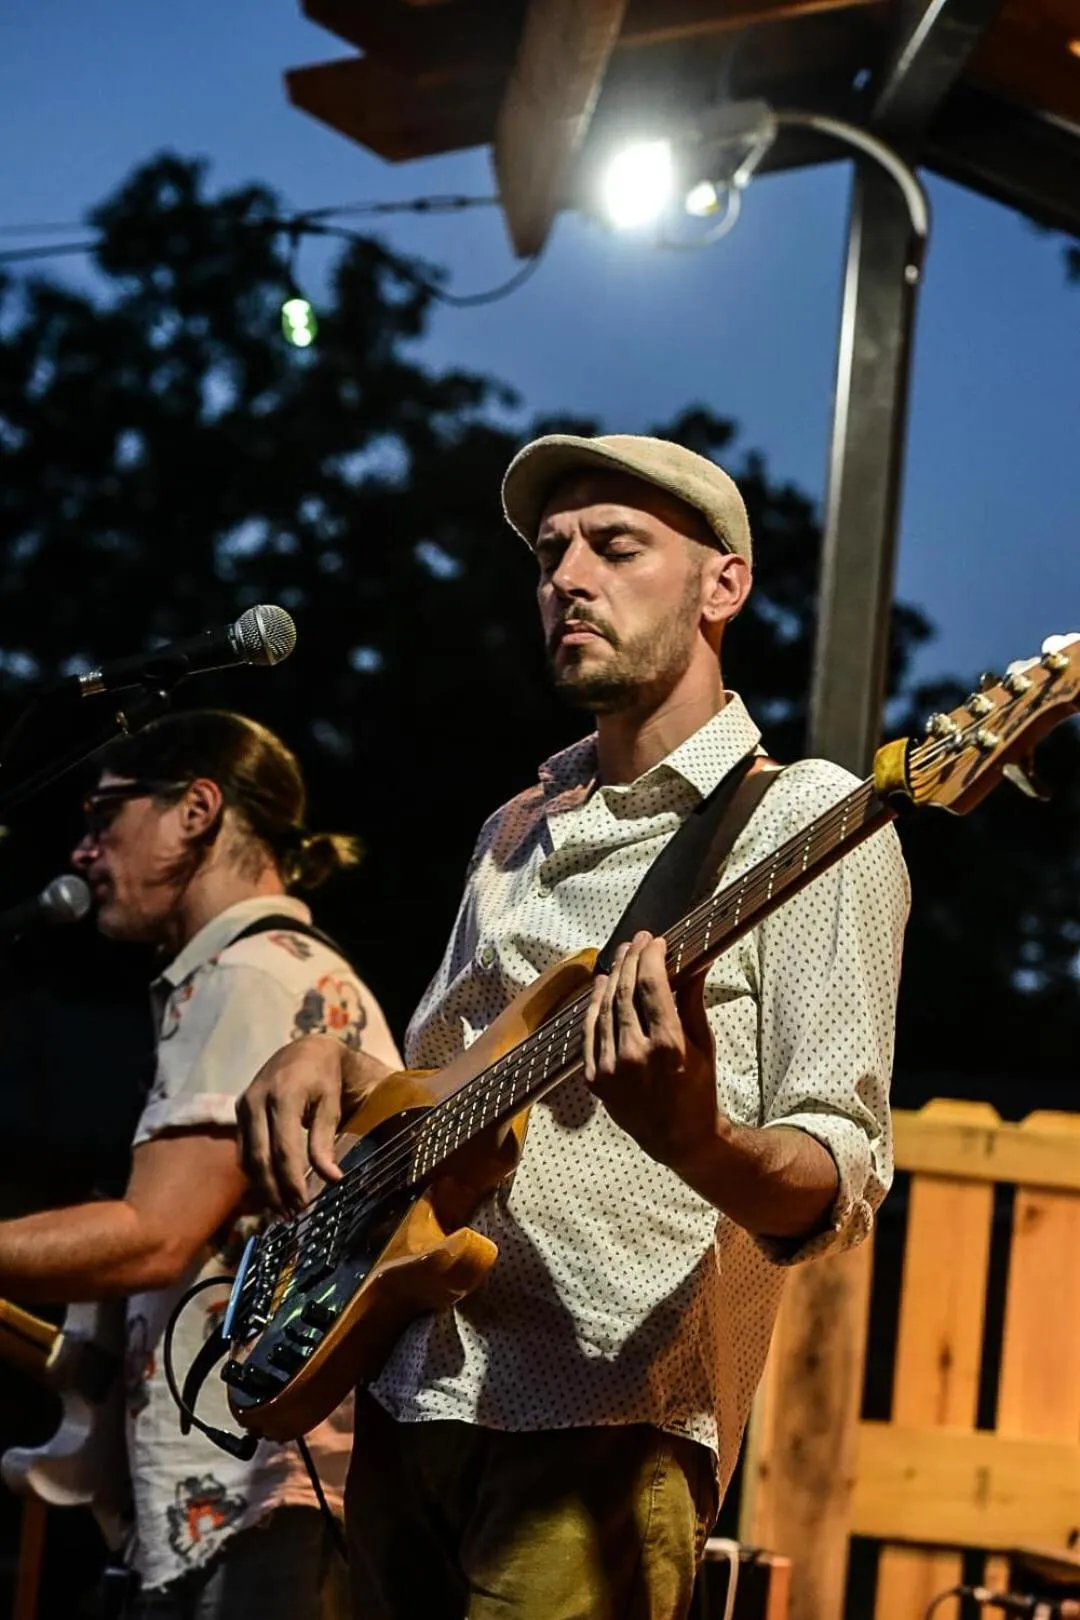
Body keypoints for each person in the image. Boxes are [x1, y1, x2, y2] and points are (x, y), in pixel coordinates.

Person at [239, 434, 909, 1620]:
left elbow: (838, 1179)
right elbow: (439, 1093)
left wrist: (694, 1138)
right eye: (551, 553)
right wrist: (337, 1060)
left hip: (603, 1420)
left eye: (617, 545)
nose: (568, 577)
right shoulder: (513, 828)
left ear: (724, 585)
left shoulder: (809, 822)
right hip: (410, 1391)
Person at [0, 710, 401, 1619]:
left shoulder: (250, 978)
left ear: (196, 810)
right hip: (248, 1492)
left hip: (260, 1499)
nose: (84, 851)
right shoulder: (264, 971)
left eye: (105, 815)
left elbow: (154, 1237)